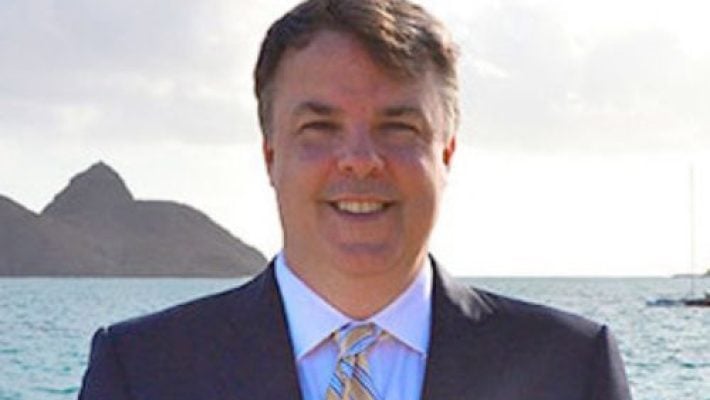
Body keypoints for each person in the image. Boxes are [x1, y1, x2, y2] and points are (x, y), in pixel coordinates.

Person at [78, 0, 632, 399]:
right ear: (271, 155)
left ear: (446, 154)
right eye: (320, 127)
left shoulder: (569, 369)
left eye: (398, 127)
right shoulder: (142, 372)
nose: (361, 159)